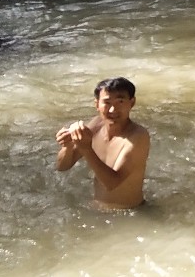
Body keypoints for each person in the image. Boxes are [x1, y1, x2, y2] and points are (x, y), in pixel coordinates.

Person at [54, 76, 150, 210]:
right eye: (107, 103)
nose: (112, 110)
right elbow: (62, 167)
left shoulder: (138, 136)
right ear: (97, 104)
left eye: (120, 102)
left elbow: (112, 183)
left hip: (130, 213)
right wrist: (68, 146)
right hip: (98, 209)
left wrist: (86, 149)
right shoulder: (96, 125)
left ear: (132, 103)